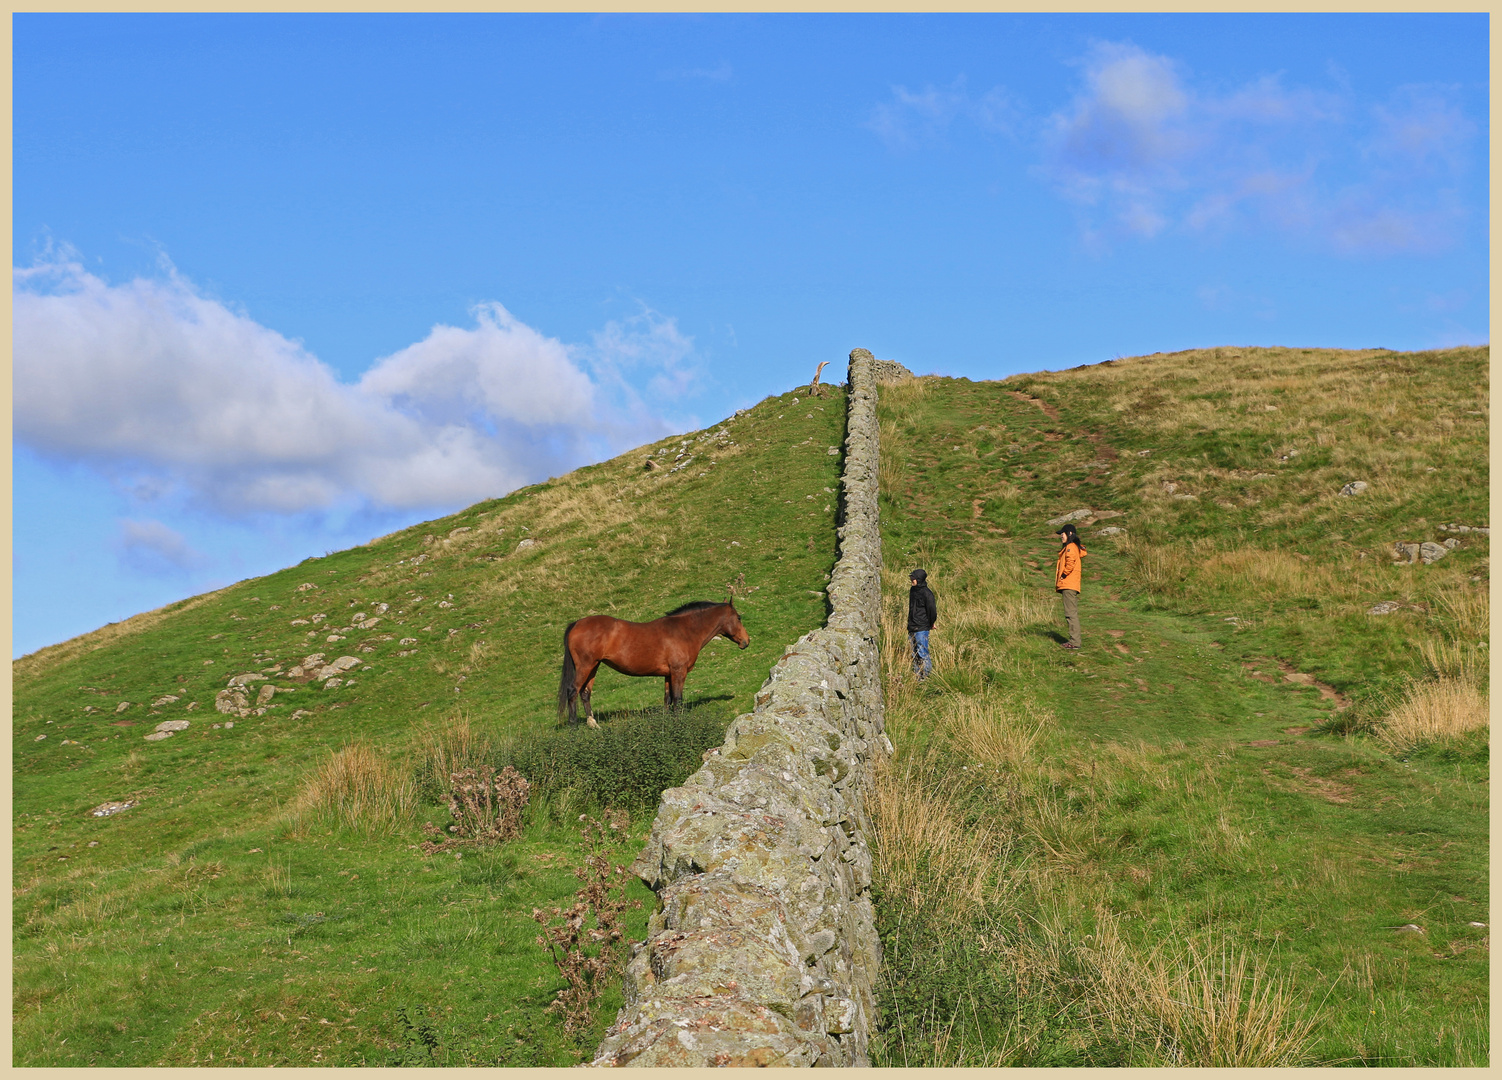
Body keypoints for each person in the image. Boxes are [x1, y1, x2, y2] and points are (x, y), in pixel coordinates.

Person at [1055, 524, 1087, 649]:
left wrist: (1063, 575)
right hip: (1070, 585)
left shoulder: (1070, 547)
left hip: (1068, 584)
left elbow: (1070, 562)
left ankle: (1074, 642)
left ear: (1068, 534)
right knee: (1071, 613)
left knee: (1070, 614)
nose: (1061, 537)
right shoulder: (1073, 547)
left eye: (1062, 534)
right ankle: (1074, 641)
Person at [907, 568, 938, 678]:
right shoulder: (913, 590)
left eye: (913, 578)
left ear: (919, 579)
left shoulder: (927, 594)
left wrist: (931, 623)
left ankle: (926, 677)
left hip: (921, 628)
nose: (911, 579)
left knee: (922, 653)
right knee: (914, 653)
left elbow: (932, 611)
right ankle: (918, 676)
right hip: (912, 626)